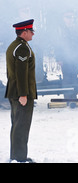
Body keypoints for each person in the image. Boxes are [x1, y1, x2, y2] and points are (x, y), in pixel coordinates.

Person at [4, 19, 37, 162]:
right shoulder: (22, 48)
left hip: (15, 91)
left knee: (18, 125)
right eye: (31, 32)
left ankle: (18, 156)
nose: (33, 34)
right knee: (21, 126)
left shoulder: (15, 45)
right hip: (21, 93)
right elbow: (21, 73)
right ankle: (19, 158)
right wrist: (23, 94)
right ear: (24, 32)